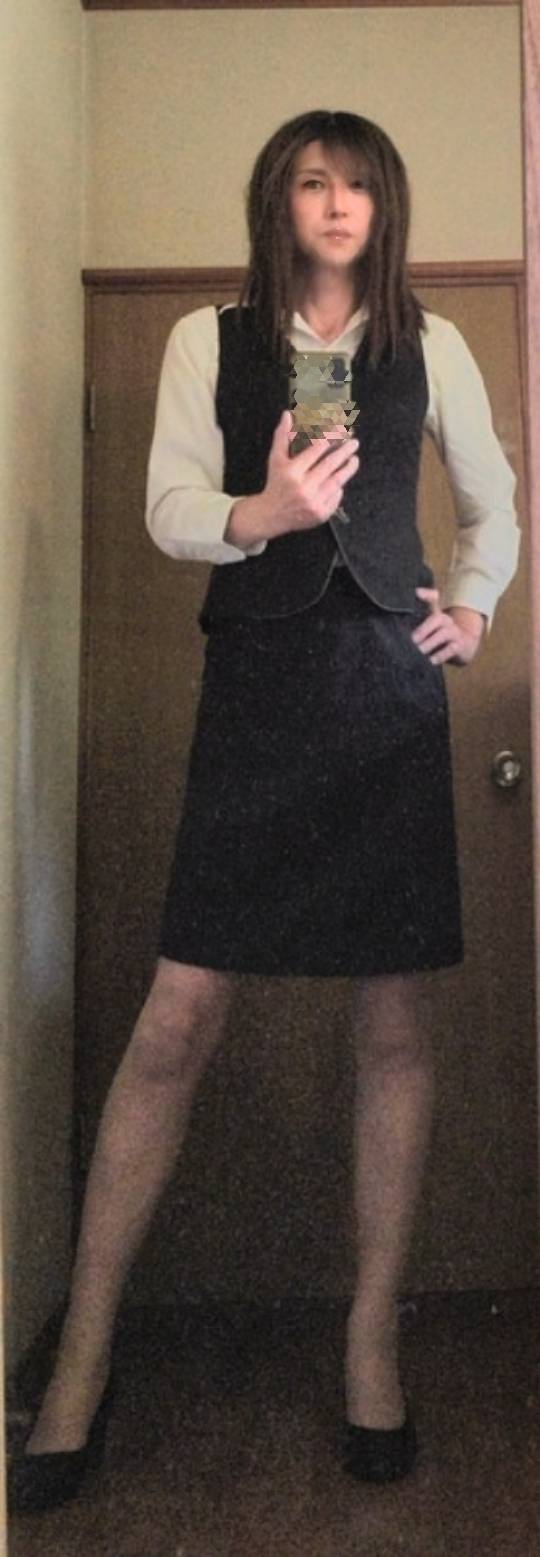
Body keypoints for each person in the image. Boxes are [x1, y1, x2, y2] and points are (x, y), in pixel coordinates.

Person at [9, 108, 520, 1512]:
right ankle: (83, 1356)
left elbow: (495, 502)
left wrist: (477, 606)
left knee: (396, 1024)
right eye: (312, 180)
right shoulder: (208, 338)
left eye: (359, 184)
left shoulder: (435, 344)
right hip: (256, 692)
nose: (337, 203)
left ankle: (371, 1339)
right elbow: (170, 504)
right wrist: (266, 512)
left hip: (387, 699)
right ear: (277, 200)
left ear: (386, 204)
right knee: (177, 1015)